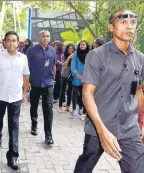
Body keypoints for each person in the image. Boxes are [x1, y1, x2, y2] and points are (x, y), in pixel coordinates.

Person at [74, 9, 144, 173]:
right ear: (111, 27)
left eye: (132, 23)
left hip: (129, 128)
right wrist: (101, 130)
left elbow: (139, 90)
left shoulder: (140, 59)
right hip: (99, 124)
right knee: (85, 166)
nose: (129, 27)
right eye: (123, 22)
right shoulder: (97, 55)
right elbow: (87, 94)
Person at [0, 31, 30, 170]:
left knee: (14, 127)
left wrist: (24, 93)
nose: (11, 43)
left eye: (14, 40)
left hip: (16, 98)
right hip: (0, 97)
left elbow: (26, 76)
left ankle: (13, 156)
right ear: (4, 42)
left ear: (18, 43)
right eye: (9, 40)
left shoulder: (23, 58)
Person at [27, 30, 57, 145]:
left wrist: (54, 79)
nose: (45, 38)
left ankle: (48, 135)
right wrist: (27, 82)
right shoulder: (32, 51)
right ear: (39, 37)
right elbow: (26, 67)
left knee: (48, 108)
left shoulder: (52, 50)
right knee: (34, 105)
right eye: (43, 36)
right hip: (34, 82)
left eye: (48, 36)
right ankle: (34, 123)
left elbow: (53, 65)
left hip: (48, 83)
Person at [71, 40, 90, 120]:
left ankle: (84, 111)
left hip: (87, 78)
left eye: (84, 44)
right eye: (81, 44)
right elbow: (73, 65)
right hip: (76, 77)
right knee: (75, 94)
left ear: (86, 46)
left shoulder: (90, 54)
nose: (82, 46)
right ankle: (74, 109)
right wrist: (78, 75)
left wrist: (85, 76)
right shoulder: (76, 54)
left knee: (85, 95)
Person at [58, 43, 75, 113]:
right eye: (69, 48)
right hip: (64, 75)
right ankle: (60, 106)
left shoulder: (76, 56)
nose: (70, 50)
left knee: (70, 91)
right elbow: (64, 66)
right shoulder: (63, 55)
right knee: (62, 90)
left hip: (72, 75)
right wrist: (69, 58)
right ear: (67, 49)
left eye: (72, 49)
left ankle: (68, 106)